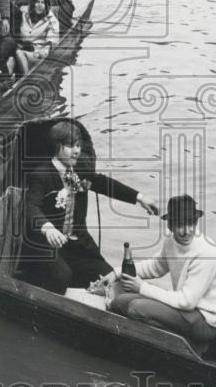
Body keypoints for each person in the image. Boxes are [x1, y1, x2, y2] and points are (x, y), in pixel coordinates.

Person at [17, 121, 158, 295]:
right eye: (69, 146)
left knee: (109, 278)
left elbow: (103, 183)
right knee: (61, 276)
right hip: (47, 245)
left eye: (78, 145)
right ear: (56, 147)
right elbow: (31, 207)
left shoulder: (80, 167)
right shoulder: (40, 175)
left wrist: (140, 198)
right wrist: (48, 229)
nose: (76, 150)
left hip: (78, 244)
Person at [108, 195, 216, 350]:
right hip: (185, 310)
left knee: (135, 308)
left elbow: (187, 301)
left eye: (191, 224)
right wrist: (116, 273)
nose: (187, 231)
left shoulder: (206, 252)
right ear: (170, 226)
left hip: (205, 321)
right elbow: (154, 267)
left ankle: (190, 345)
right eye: (180, 225)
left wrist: (141, 287)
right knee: (119, 302)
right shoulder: (171, 242)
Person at [16, 0, 59, 72]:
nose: (40, 5)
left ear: (46, 5)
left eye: (42, 2)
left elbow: (52, 42)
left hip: (38, 54)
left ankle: (26, 79)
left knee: (19, 53)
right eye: (37, 2)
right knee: (11, 58)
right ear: (32, 3)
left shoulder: (52, 20)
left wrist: (44, 52)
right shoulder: (24, 14)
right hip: (23, 48)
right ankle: (3, 82)